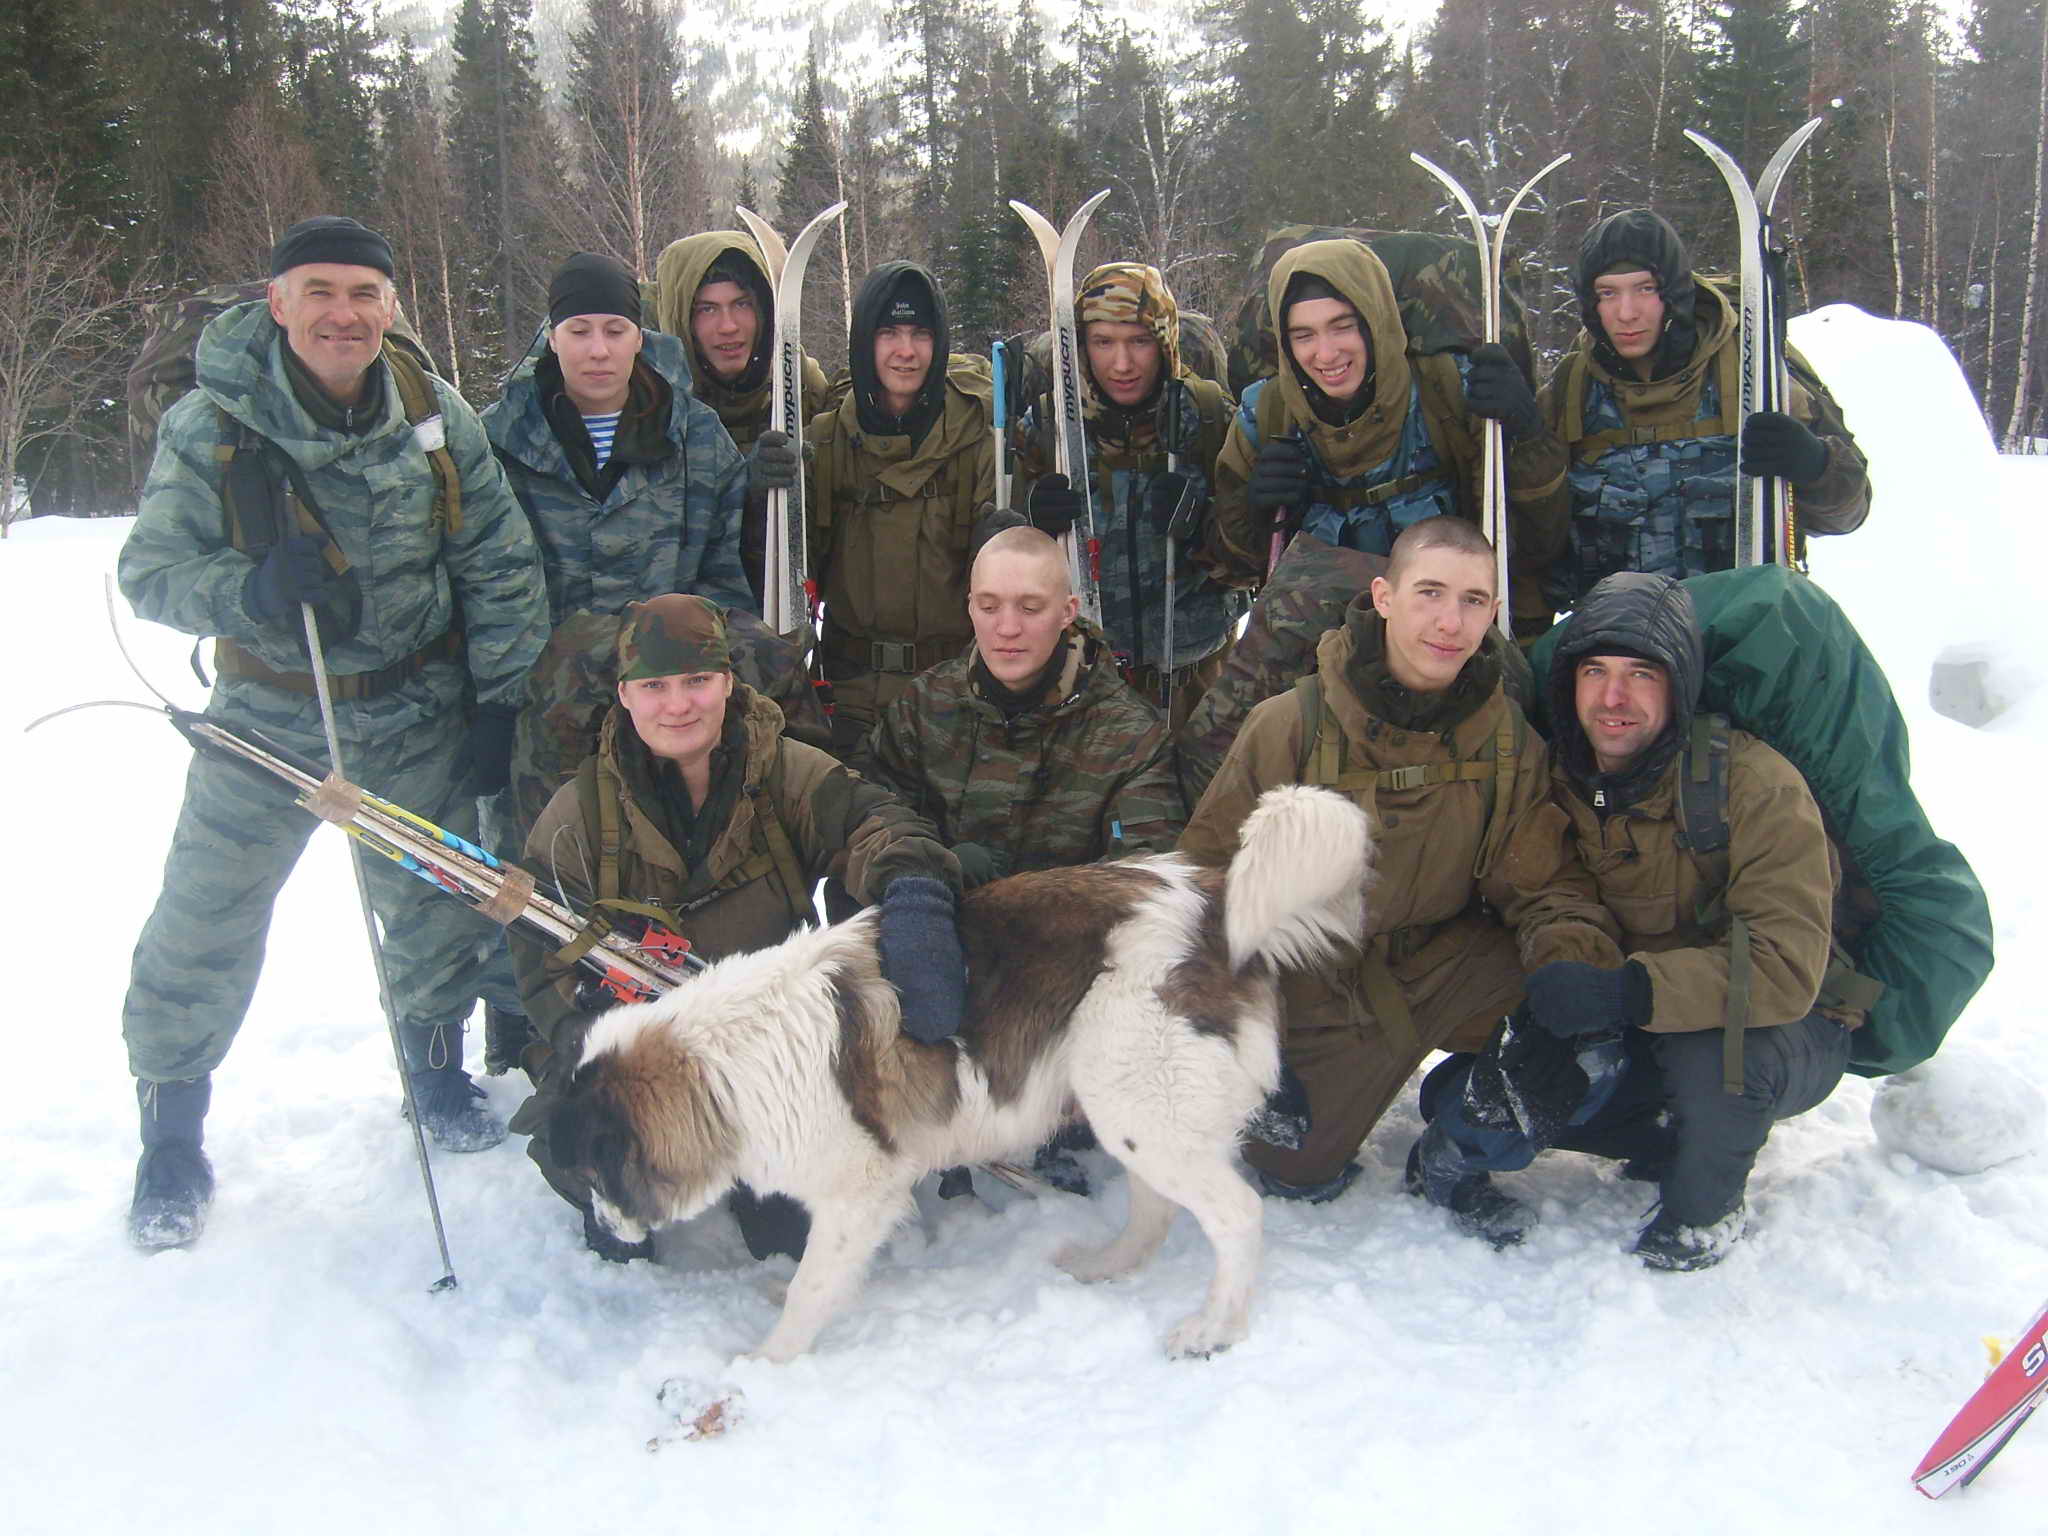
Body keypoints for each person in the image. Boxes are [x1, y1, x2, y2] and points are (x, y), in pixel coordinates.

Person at [117, 215, 550, 1249]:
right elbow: (149, 574)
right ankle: (171, 1129)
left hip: (413, 711)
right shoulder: (215, 426)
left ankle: (433, 1073)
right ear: (278, 303)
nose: (342, 313)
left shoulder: (431, 415)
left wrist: (500, 699)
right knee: (204, 921)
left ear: (390, 306)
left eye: (362, 294)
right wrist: (249, 588)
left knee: (439, 908)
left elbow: (497, 559)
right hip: (269, 718)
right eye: (318, 291)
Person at [1177, 516, 1619, 1227]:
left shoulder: (1508, 739)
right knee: (1290, 1168)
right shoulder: (1289, 726)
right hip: (1309, 985)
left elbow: (1545, 885)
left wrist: (1573, 978)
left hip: (1445, 964)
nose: (1450, 622)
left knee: (1581, 1021)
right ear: (1383, 597)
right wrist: (1239, 1030)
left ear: (1495, 613)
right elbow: (1201, 891)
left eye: (1474, 601)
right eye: (1430, 593)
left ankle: (1461, 1126)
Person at [1409, 571, 1857, 1269]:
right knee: (1486, 1087)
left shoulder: (1755, 785)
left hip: (1780, 1025)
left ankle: (1702, 1213)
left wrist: (1625, 992)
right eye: (1595, 672)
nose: (1613, 699)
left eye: (1641, 675)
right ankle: (1651, 1135)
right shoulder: (1555, 777)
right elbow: (1543, 890)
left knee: (1714, 1061)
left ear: (1678, 686)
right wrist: (1569, 986)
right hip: (1639, 1014)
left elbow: (1785, 967)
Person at [508, 594, 964, 1263]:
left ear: (727, 681)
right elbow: (535, 943)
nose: (678, 705)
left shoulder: (783, 771)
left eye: (696, 681)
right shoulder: (579, 816)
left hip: (764, 1055)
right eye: (655, 686)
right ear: (626, 696)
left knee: (789, 1232)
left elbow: (878, 825)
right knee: (586, 1151)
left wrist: (916, 899)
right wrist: (580, 1030)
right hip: (639, 1050)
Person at [482, 251, 751, 849]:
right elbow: (482, 586)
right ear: (552, 338)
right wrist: (494, 706)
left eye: (614, 330)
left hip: (669, 713)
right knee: (544, 885)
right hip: (542, 719)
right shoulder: (497, 443)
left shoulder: (697, 438)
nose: (597, 350)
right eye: (579, 331)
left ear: (640, 337)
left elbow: (723, 575)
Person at [1203, 239, 1568, 639]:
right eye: (1303, 335)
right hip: (1320, 643)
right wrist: (1254, 510)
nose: (1325, 354)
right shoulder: (1269, 414)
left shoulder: (1448, 389)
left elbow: (1536, 541)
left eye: (1342, 326)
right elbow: (1232, 569)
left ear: (1374, 320)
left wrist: (1527, 436)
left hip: (1447, 630)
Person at [1537, 209, 1870, 624]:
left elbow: (1847, 513)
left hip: (1743, 641)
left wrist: (1814, 465)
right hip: (1617, 658)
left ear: (1674, 291)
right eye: (1608, 293)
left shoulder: (1759, 367)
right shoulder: (1571, 392)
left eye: (1645, 289)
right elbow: (1534, 537)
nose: (1626, 312)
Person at [853, 526, 1183, 887]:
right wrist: (925, 877)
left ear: (1066, 611)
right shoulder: (921, 706)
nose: (1007, 628)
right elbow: (865, 827)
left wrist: (1017, 906)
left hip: (1064, 938)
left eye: (1030, 608)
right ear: (970, 608)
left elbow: (1140, 882)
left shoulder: (1131, 739)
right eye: (989, 606)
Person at [1005, 262, 1243, 729]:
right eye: (1103, 342)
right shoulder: (1050, 428)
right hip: (1081, 683)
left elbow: (1250, 561)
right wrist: (1031, 523)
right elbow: (999, 560)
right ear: (1080, 346)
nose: (1122, 364)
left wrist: (1203, 526)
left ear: (1165, 339)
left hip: (1197, 680)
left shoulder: (1210, 420)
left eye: (1139, 341)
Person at [788, 261, 997, 753]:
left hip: (956, 694)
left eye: (921, 333)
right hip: (848, 696)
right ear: (864, 340)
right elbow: (792, 569)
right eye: (889, 333)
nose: (906, 351)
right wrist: (765, 498)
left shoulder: (979, 441)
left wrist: (1028, 523)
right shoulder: (826, 442)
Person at [652, 231, 833, 606]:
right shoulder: (651, 404)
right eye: (706, 309)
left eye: (742, 304)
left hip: (782, 611)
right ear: (681, 316)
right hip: (683, 623)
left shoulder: (802, 389)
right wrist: (740, 490)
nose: (728, 326)